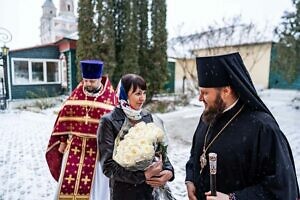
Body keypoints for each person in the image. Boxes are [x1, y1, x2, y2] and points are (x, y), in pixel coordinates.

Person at [185, 52, 300, 200]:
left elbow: (281, 189)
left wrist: (233, 198)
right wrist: (190, 180)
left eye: (205, 93)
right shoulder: (208, 116)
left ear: (226, 91)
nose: (200, 98)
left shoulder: (263, 127)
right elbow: (196, 155)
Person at [45, 60, 116, 200]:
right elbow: (63, 122)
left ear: (99, 79)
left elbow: (116, 128)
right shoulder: (75, 97)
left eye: (92, 81)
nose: (88, 84)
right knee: (68, 188)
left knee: (96, 192)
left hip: (98, 153)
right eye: (85, 80)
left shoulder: (110, 100)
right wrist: (63, 142)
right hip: (74, 151)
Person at [97, 73, 175, 200]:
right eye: (138, 94)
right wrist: (143, 175)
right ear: (124, 94)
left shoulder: (147, 117)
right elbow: (108, 167)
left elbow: (160, 151)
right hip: (124, 192)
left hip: (150, 191)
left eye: (144, 93)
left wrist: (168, 171)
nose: (142, 98)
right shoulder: (109, 121)